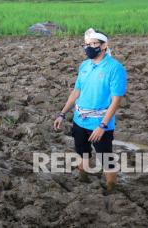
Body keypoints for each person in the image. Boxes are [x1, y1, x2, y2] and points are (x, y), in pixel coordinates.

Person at [53, 28, 127, 192]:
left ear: (104, 46)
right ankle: (83, 178)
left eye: (94, 44)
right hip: (79, 120)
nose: (89, 47)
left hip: (99, 123)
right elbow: (76, 92)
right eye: (87, 44)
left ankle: (111, 189)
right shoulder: (84, 65)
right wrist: (62, 113)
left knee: (106, 158)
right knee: (82, 152)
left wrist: (103, 126)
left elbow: (116, 101)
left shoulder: (115, 68)